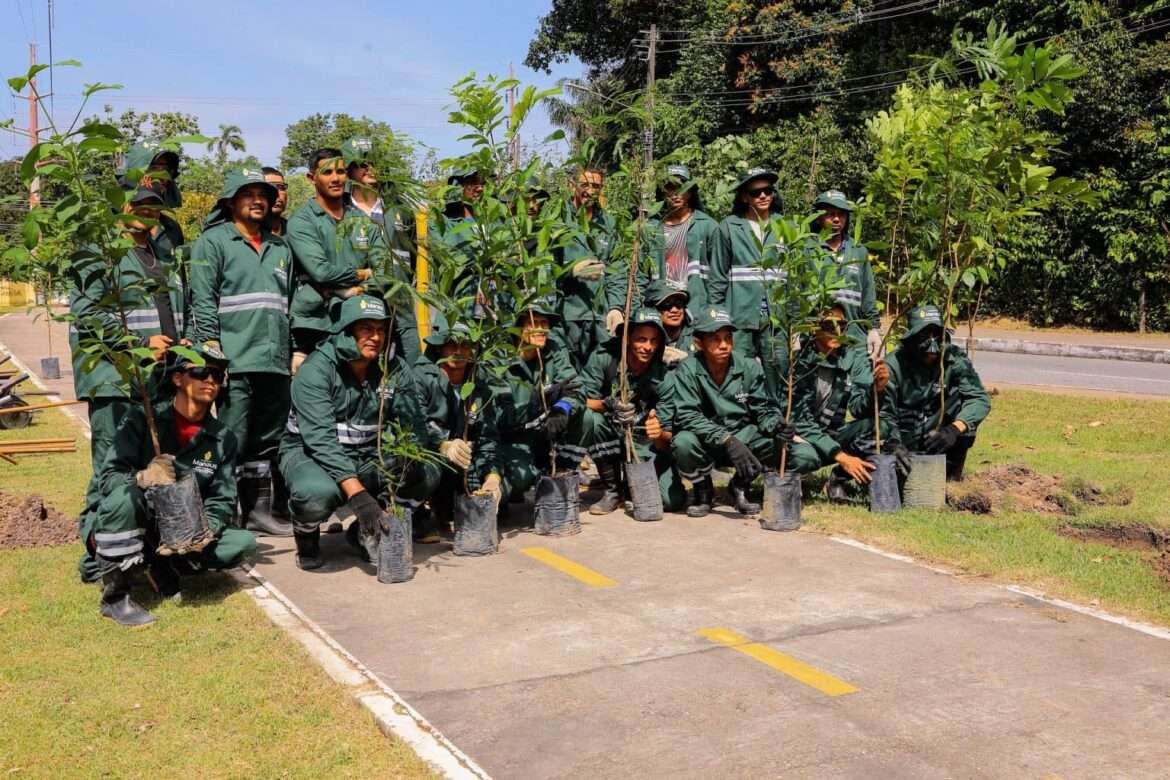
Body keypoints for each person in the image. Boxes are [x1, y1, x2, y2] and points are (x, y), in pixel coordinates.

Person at [88, 344, 256, 626]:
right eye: (201, 372)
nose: (210, 380)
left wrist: (204, 531)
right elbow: (108, 479)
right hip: (135, 516)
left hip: (183, 524)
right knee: (124, 499)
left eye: (218, 375)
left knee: (241, 543)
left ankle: (166, 562)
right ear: (177, 378)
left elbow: (222, 499)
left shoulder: (222, 437)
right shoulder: (142, 419)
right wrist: (142, 478)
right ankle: (116, 598)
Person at [73, 186, 188, 584]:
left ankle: (146, 555)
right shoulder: (99, 250)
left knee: (149, 470)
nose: (148, 210)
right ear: (120, 204)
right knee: (112, 475)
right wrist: (139, 345)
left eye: (155, 203)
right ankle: (102, 565)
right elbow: (88, 314)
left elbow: (169, 309)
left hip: (154, 381)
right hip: (116, 380)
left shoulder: (160, 253)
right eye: (140, 202)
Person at [278, 295, 429, 570]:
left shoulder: (393, 369)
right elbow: (320, 442)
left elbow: (414, 426)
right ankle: (306, 533)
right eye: (366, 329)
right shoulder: (315, 371)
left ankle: (366, 531)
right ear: (346, 332)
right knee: (315, 493)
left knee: (426, 471)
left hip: (368, 453)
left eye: (381, 330)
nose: (376, 337)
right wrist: (359, 497)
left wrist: (434, 448)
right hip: (311, 454)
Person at [188, 168, 294, 537]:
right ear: (231, 201)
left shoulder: (281, 248)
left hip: (275, 360)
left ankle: (258, 512)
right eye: (248, 193)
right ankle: (223, 514)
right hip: (235, 360)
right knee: (232, 437)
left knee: (267, 438)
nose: (258, 200)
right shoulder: (213, 243)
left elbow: (287, 303)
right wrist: (213, 358)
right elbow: (202, 302)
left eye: (263, 194)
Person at [286, 148, 417, 365]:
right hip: (318, 326)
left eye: (340, 171)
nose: (336, 178)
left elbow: (386, 274)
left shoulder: (364, 222)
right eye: (327, 172)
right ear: (312, 178)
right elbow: (321, 272)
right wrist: (364, 273)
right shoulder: (302, 222)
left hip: (361, 324)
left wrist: (354, 290)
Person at [568, 308, 686, 514]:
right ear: (628, 338)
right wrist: (607, 404)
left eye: (653, 341)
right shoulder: (604, 358)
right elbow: (579, 399)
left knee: (671, 500)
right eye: (641, 339)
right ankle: (612, 490)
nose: (647, 347)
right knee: (590, 419)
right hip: (609, 433)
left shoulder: (664, 377)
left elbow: (667, 438)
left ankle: (632, 485)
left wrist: (658, 433)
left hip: (642, 443)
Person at [785, 306, 910, 497]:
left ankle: (838, 478)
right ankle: (785, 475)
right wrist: (842, 457)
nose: (837, 331)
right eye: (829, 325)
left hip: (830, 435)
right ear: (813, 328)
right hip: (800, 436)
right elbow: (801, 422)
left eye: (842, 325)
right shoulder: (799, 359)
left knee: (880, 427)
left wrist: (877, 389)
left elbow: (859, 408)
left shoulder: (851, 356)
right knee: (806, 458)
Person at [670, 308, 784, 517]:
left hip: (742, 436)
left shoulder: (749, 367)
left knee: (775, 442)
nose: (724, 345)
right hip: (706, 440)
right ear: (698, 343)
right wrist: (726, 439)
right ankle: (703, 491)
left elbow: (762, 410)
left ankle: (740, 487)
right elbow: (688, 415)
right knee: (682, 442)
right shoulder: (687, 369)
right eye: (715, 339)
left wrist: (776, 424)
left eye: (728, 338)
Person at [411, 312, 503, 540]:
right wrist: (441, 443)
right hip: (429, 457)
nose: (459, 352)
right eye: (451, 345)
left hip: (463, 463)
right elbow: (414, 424)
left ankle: (447, 507)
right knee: (426, 473)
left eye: (465, 345)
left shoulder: (480, 386)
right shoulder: (421, 377)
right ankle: (416, 516)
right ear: (440, 347)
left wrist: (493, 477)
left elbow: (488, 437)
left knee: (500, 492)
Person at [874, 305, 991, 481]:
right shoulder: (894, 365)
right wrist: (894, 444)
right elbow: (885, 415)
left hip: (936, 434)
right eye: (924, 337)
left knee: (967, 417)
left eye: (937, 335)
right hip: (904, 434)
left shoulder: (954, 359)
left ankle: (951, 477)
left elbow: (979, 399)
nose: (932, 347)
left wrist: (953, 430)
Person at [707, 167, 786, 394]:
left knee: (778, 374)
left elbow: (794, 276)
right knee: (738, 374)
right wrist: (717, 318)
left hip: (775, 320)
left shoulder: (785, 227)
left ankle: (777, 422)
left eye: (768, 191)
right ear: (744, 196)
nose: (763, 196)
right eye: (755, 192)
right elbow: (718, 277)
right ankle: (740, 423)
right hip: (739, 318)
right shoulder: (729, 227)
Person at [496, 299, 583, 501]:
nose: (541, 329)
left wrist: (561, 408)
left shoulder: (554, 349)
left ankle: (560, 471)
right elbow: (500, 415)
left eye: (545, 324)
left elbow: (577, 388)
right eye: (534, 323)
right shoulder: (500, 358)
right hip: (512, 436)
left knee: (587, 420)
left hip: (545, 430)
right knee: (520, 479)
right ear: (518, 327)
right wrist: (538, 400)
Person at [557, 165, 626, 370]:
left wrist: (616, 307)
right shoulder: (557, 221)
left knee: (602, 374)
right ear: (572, 186)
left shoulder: (610, 224)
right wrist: (571, 270)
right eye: (584, 184)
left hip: (600, 316)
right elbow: (544, 269)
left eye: (596, 186)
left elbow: (618, 269)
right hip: (568, 315)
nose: (590, 190)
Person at [810, 190, 880, 357]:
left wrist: (874, 329)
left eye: (841, 214)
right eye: (830, 214)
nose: (836, 219)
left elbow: (868, 295)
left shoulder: (858, 251)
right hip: (817, 337)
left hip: (853, 336)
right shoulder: (807, 249)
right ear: (819, 217)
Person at [643, 164, 718, 316]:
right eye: (670, 187)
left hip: (697, 306)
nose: (676, 193)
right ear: (662, 192)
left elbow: (718, 273)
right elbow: (640, 273)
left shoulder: (707, 226)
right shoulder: (650, 228)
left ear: (690, 192)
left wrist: (713, 308)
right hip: (659, 306)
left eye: (682, 187)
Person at [118, 142, 185, 256]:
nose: (161, 176)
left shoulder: (172, 229)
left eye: (166, 170)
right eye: (153, 168)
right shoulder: (105, 228)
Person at [644, 279, 694, 366]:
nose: (674, 310)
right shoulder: (640, 339)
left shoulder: (697, 337)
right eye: (667, 305)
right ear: (651, 309)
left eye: (679, 304)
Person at [262, 166, 290, 236]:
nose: (277, 193)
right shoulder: (247, 231)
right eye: (270, 187)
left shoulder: (295, 230)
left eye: (281, 187)